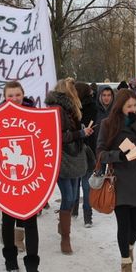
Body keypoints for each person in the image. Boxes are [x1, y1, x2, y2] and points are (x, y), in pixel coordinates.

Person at [96, 89, 136, 272]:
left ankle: (130, 247)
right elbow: (100, 153)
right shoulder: (107, 124)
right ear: (120, 106)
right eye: (128, 106)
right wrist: (117, 156)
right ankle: (125, 264)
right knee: (124, 225)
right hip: (118, 180)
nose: (132, 109)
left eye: (135, 106)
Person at [0, 81, 42, 272]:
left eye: (17, 95)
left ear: (23, 95)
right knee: (8, 220)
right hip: (6, 177)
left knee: (31, 221)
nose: (14, 99)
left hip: (30, 179)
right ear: (4, 97)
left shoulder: (36, 115)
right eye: (10, 96)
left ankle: (32, 265)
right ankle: (10, 257)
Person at [45, 78, 93, 254]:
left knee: (72, 198)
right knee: (69, 196)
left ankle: (63, 226)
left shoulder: (69, 109)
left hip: (74, 155)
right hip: (62, 157)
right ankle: (66, 237)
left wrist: (82, 132)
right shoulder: (57, 109)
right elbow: (57, 136)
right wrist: (80, 133)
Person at [72, 82, 98, 227]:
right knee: (79, 183)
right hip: (80, 149)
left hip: (85, 149)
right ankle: (78, 210)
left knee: (84, 183)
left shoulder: (88, 107)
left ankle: (85, 214)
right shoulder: (72, 108)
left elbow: (88, 129)